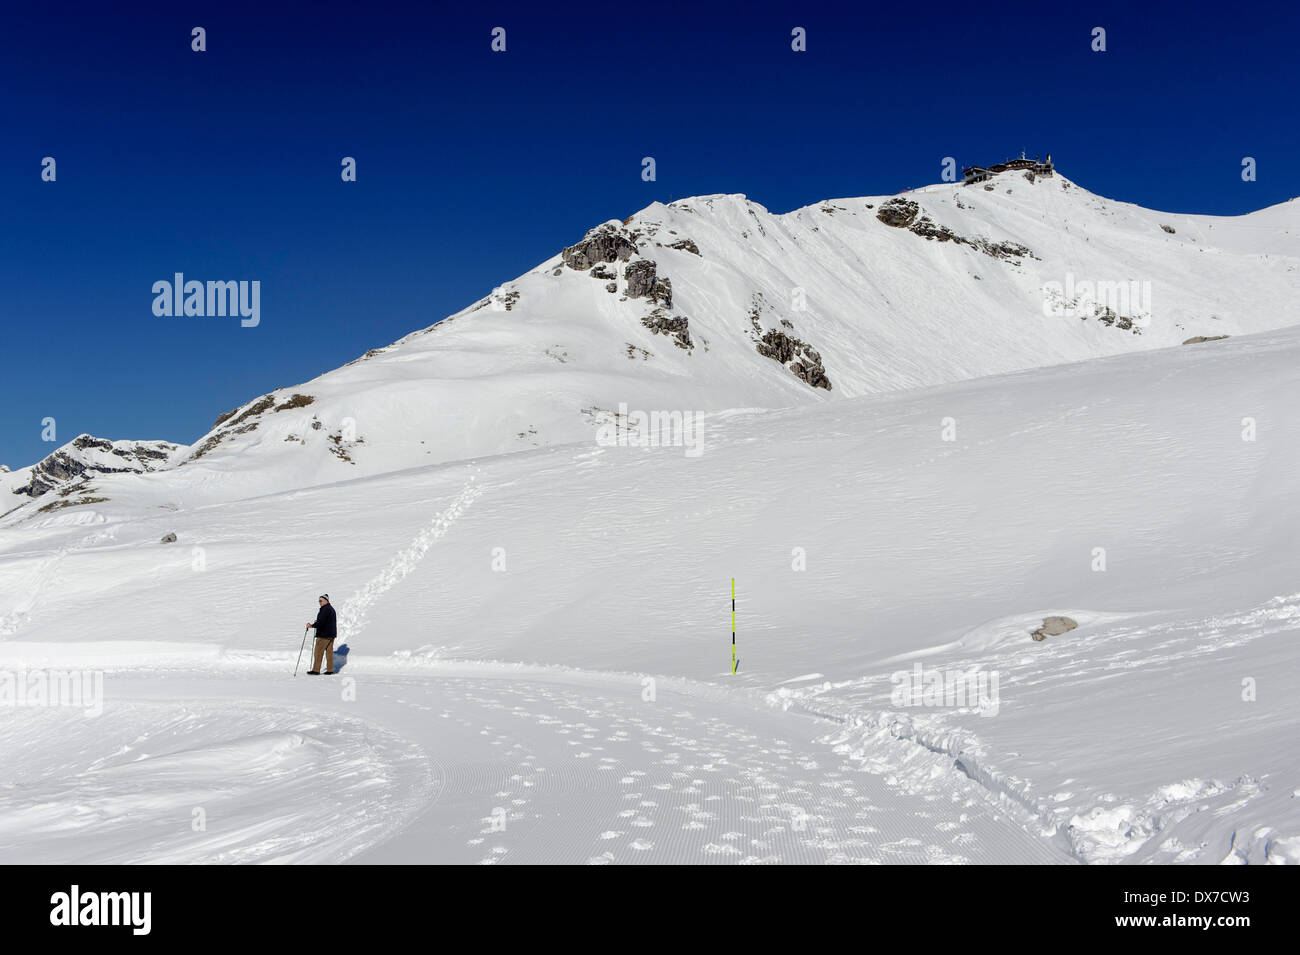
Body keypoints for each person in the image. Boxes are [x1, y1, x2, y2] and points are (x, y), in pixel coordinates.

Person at [306, 594, 337, 675]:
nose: (319, 602)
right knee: (329, 653)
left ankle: (316, 670)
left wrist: (312, 625)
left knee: (318, 652)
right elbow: (326, 621)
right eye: (319, 601)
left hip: (324, 635)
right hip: (331, 635)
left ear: (326, 600)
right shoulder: (330, 609)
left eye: (321, 600)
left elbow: (321, 622)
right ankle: (330, 669)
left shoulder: (325, 609)